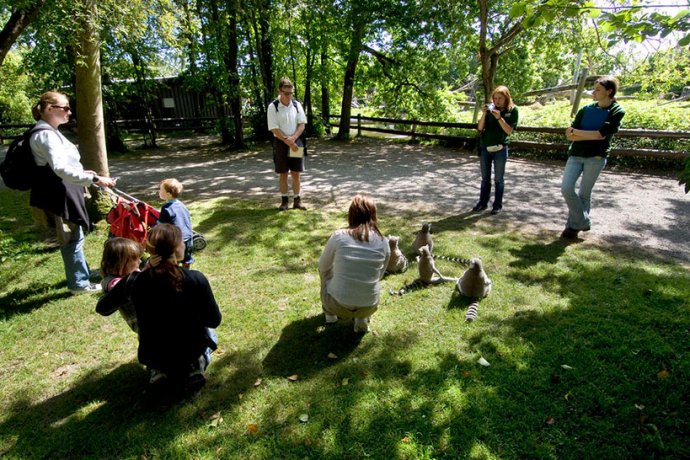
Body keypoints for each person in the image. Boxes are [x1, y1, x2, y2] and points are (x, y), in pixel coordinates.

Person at [29, 91, 117, 294]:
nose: (69, 111)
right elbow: (60, 169)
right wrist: (96, 179)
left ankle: (82, 274)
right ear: (49, 109)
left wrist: (82, 173)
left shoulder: (51, 131)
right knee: (71, 238)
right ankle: (79, 284)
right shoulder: (45, 135)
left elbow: (59, 166)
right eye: (65, 107)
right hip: (58, 194)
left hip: (63, 189)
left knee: (75, 236)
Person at [131, 224, 221, 390]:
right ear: (175, 248)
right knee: (211, 333)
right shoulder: (195, 278)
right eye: (182, 241)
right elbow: (214, 320)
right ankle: (195, 365)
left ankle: (158, 371)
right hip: (190, 349)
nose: (185, 244)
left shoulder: (139, 282)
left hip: (153, 352)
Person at [560, 76, 625, 239]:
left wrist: (579, 133)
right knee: (566, 188)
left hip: (595, 158)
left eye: (598, 90)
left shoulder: (617, 111)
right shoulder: (585, 109)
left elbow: (600, 135)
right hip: (575, 155)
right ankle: (584, 221)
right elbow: (570, 135)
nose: (593, 92)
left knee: (584, 194)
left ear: (609, 92)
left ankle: (572, 228)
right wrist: (587, 134)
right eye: (594, 89)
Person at [318, 195, 390, 333]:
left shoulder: (339, 236)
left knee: (325, 271)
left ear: (351, 215)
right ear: (373, 216)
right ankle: (361, 317)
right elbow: (379, 276)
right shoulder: (384, 242)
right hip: (369, 305)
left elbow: (322, 266)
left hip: (337, 304)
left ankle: (330, 315)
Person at [472, 85, 519, 215]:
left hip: (500, 149)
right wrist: (484, 113)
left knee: (499, 179)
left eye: (500, 98)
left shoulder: (513, 110)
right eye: (495, 98)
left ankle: (497, 205)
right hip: (485, 148)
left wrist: (499, 118)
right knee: (485, 178)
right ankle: (482, 203)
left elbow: (509, 131)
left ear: (506, 98)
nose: (497, 101)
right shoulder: (490, 110)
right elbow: (480, 128)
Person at [266, 77, 308, 211]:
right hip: (280, 143)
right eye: (286, 93)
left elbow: (302, 124)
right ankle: (284, 201)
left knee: (296, 173)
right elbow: (273, 128)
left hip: (296, 142)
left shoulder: (296, 105)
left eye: (291, 93)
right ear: (279, 91)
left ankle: (297, 200)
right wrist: (287, 140)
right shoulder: (273, 106)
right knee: (283, 173)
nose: (289, 96)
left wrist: (293, 138)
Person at [96, 237, 145, 332]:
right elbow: (126, 286)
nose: (140, 261)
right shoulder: (112, 282)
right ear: (121, 262)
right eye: (135, 259)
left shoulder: (129, 273)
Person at [158, 178, 194, 267]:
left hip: (176, 241)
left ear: (168, 194)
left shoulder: (166, 208)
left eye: (161, 190)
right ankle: (186, 275)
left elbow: (161, 226)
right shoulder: (182, 205)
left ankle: (174, 276)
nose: (159, 192)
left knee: (173, 260)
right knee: (186, 259)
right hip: (188, 238)